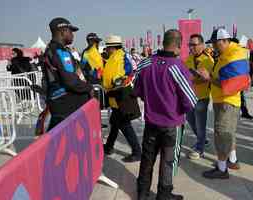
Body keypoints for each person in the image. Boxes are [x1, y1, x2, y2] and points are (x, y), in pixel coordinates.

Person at [134, 29, 197, 200]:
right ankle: (164, 194)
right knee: (168, 161)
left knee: (147, 159)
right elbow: (191, 100)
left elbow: (137, 90)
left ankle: (142, 193)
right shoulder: (178, 67)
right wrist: (177, 111)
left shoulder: (145, 63)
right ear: (178, 46)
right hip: (171, 124)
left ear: (163, 43)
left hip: (151, 122)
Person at [202, 28, 250, 179]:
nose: (214, 47)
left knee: (222, 134)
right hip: (223, 101)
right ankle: (232, 160)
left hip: (226, 102)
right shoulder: (227, 54)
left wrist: (208, 78)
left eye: (216, 43)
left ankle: (222, 169)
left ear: (224, 41)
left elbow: (228, 84)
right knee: (229, 133)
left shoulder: (233, 55)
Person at [43, 17, 93, 130]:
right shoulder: (59, 51)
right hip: (65, 102)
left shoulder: (52, 49)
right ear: (62, 31)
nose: (72, 35)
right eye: (70, 31)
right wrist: (89, 88)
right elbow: (71, 81)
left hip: (58, 101)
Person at [102, 35, 142, 163]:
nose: (106, 50)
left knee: (124, 125)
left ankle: (137, 152)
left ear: (112, 48)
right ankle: (108, 147)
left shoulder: (121, 57)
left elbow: (129, 72)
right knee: (114, 122)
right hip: (115, 96)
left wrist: (119, 82)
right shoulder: (114, 57)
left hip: (121, 96)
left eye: (107, 48)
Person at [184, 34, 214, 160]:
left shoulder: (208, 60)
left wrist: (192, 79)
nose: (192, 47)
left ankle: (200, 148)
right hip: (190, 95)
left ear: (202, 45)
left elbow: (207, 79)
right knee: (191, 120)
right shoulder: (188, 59)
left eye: (194, 44)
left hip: (202, 96)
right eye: (190, 44)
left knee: (200, 123)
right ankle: (202, 139)